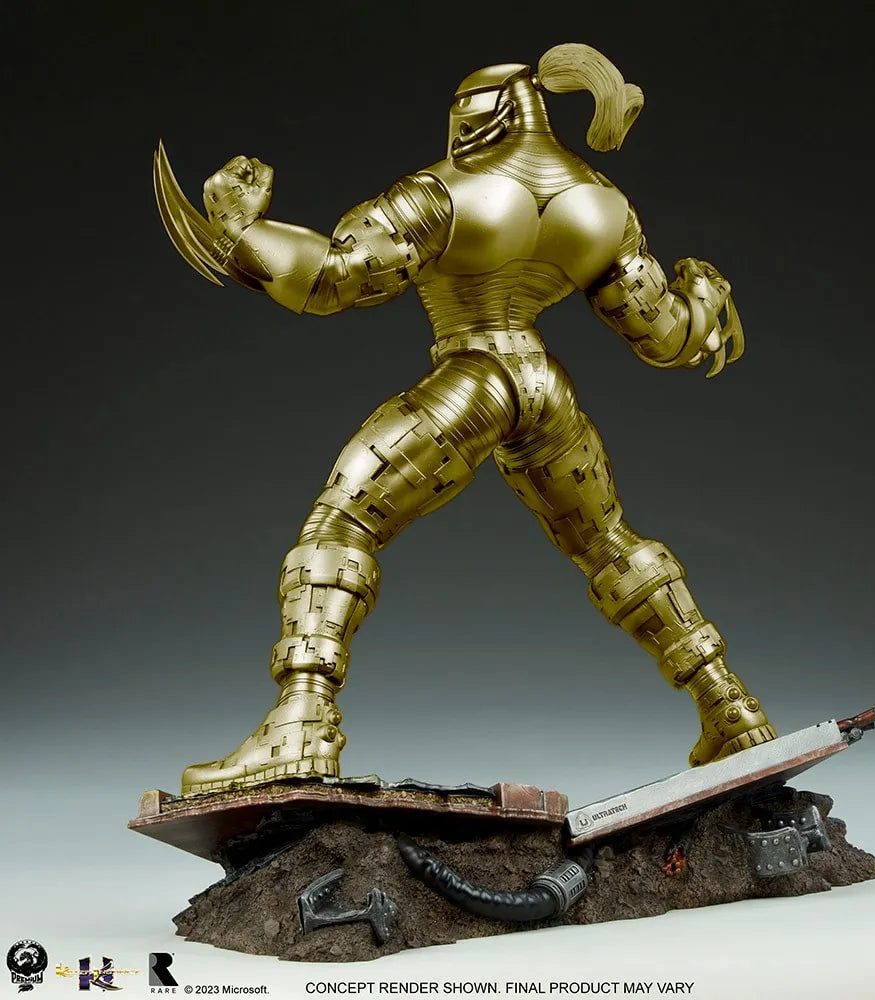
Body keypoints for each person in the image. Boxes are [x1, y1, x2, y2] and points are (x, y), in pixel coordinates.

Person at [154, 43, 776, 797]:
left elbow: (329, 279)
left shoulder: (446, 191)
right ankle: (729, 706)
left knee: (341, 526)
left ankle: (301, 722)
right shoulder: (601, 203)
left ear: (476, 117)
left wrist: (239, 230)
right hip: (544, 385)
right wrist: (706, 300)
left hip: (473, 377)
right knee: (609, 545)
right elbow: (662, 335)